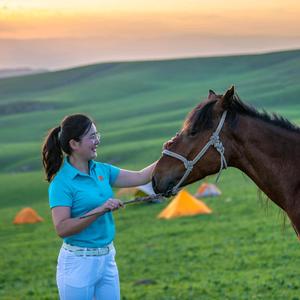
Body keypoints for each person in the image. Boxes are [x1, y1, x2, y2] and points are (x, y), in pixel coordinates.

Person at [42, 114, 157, 300]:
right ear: (74, 144)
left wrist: (171, 152)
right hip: (78, 264)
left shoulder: (102, 170)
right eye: (92, 137)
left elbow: (140, 176)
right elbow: (62, 228)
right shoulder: (61, 183)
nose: (97, 141)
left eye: (97, 135)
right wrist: (100, 210)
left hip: (107, 259)